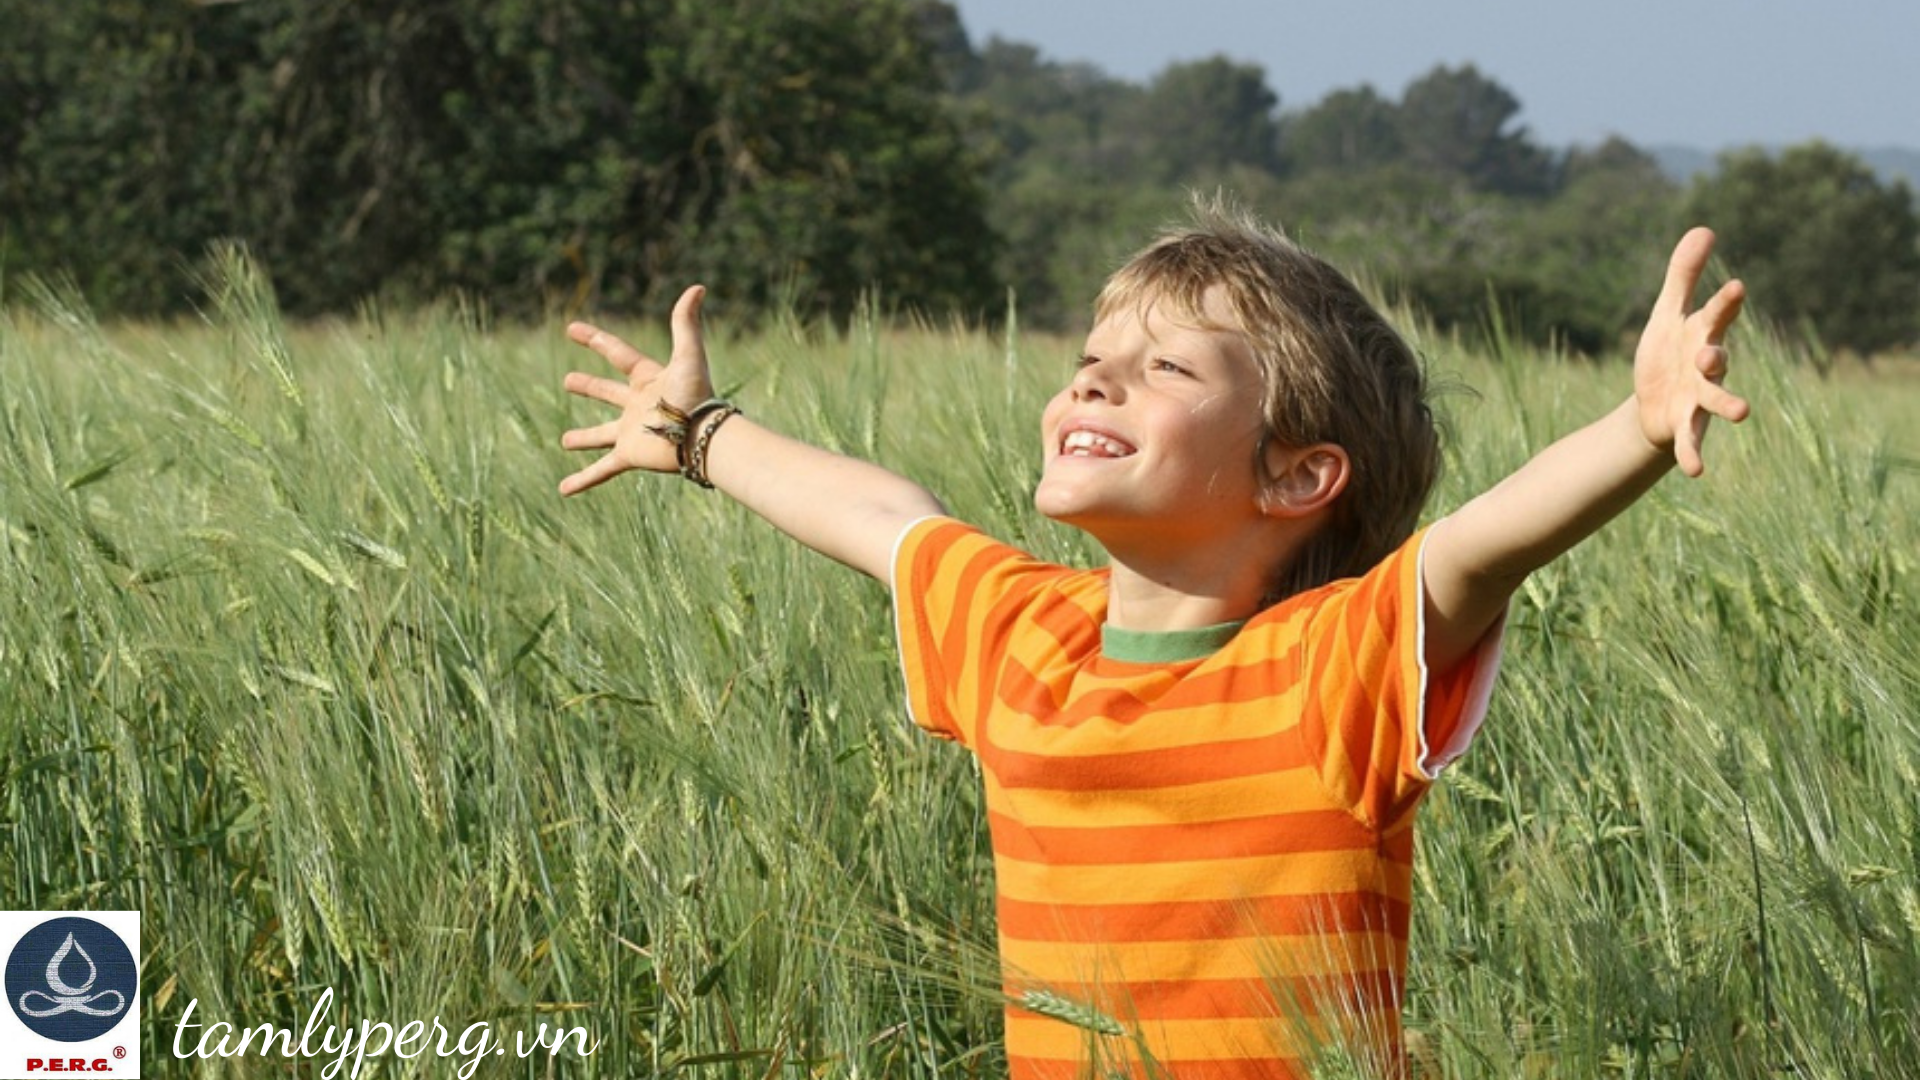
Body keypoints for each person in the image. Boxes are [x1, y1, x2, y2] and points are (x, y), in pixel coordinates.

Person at [555, 200, 1748, 1079]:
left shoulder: (1331, 671)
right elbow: (884, 519)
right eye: (1088, 366)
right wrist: (700, 435)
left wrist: (1637, 431)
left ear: (1299, 476)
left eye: (1163, 369)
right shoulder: (1022, 636)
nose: (1092, 386)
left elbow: (1478, 550)